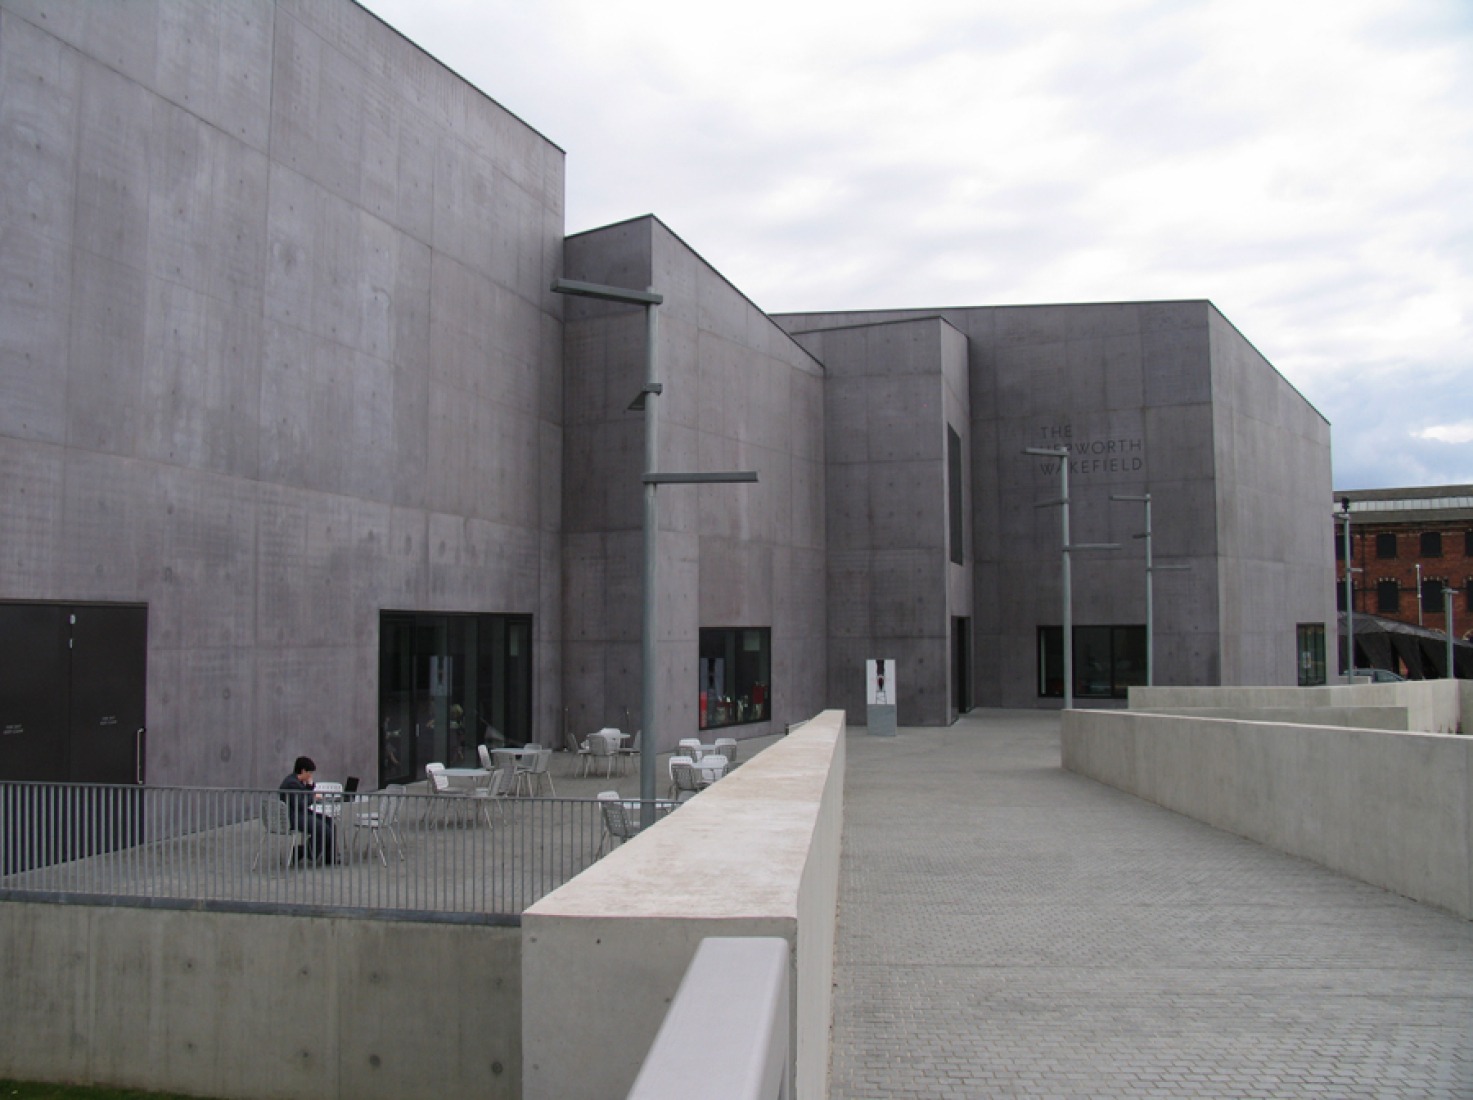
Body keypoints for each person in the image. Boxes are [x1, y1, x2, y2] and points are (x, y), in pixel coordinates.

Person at [278, 755, 336, 864]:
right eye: (310, 772)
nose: (310, 776)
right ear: (303, 771)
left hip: (301, 813)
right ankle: (303, 852)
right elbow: (299, 804)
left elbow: (304, 796)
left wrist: (310, 787)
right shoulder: (291, 783)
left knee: (329, 822)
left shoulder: (297, 782)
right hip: (294, 816)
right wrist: (313, 797)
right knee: (323, 829)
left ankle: (330, 857)